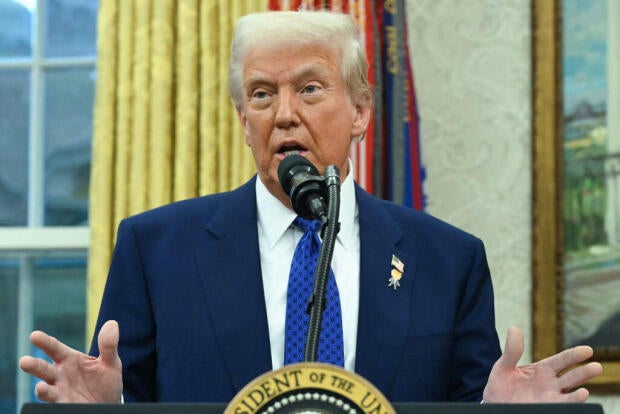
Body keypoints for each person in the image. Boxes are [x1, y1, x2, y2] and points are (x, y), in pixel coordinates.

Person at [19, 10, 602, 404]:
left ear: (361, 113)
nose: (285, 114)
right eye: (262, 94)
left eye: (311, 88)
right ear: (244, 123)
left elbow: (458, 403)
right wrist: (107, 410)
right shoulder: (156, 248)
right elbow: (130, 394)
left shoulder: (447, 259)